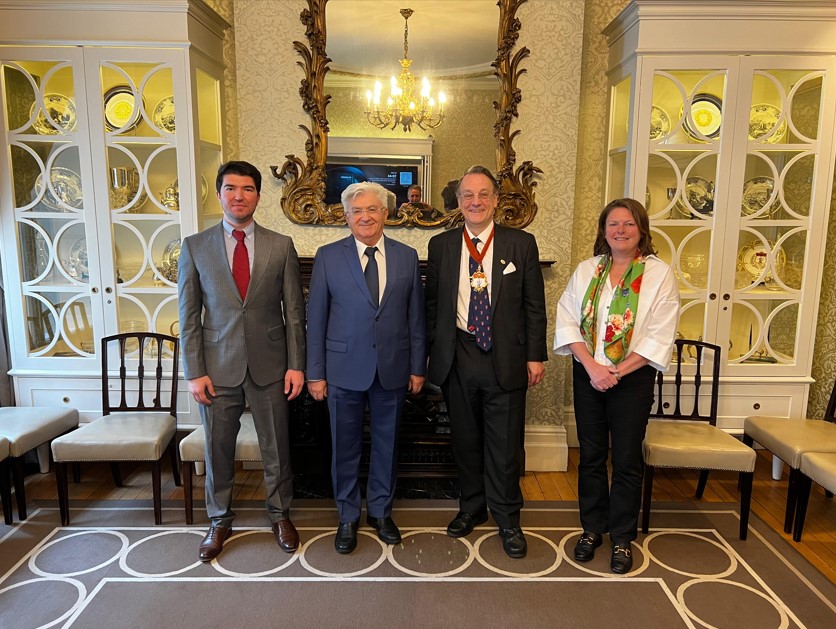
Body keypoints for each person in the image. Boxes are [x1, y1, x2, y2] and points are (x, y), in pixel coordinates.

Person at [178, 160, 306, 562]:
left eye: (247, 189)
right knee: (218, 450)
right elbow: (189, 315)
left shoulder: (280, 245)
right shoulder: (195, 246)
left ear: (258, 196)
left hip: (272, 365)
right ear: (219, 194)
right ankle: (219, 520)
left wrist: (297, 364)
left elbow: (294, 313)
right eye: (231, 188)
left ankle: (280, 515)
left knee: (276, 448)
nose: (239, 196)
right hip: (217, 367)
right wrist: (194, 371)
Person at [425, 165, 547, 559]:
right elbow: (433, 306)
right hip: (458, 356)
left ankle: (508, 519)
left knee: (505, 445)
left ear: (495, 201)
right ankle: (472, 508)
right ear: (458, 203)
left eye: (482, 195)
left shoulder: (521, 243)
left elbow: (534, 306)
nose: (475, 201)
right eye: (467, 195)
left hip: (505, 357)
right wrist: (430, 350)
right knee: (465, 441)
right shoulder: (441, 246)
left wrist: (535, 355)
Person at [553, 198, 679, 574]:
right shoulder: (587, 270)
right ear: (603, 230)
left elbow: (660, 334)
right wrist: (593, 367)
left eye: (628, 224)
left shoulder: (659, 275)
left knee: (625, 458)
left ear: (641, 230)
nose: (620, 230)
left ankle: (622, 537)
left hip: (632, 379)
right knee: (591, 456)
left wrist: (617, 371)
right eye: (613, 224)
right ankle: (592, 529)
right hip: (588, 373)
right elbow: (567, 319)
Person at [307, 181, 426, 554]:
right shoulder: (328, 256)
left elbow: (416, 318)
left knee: (387, 446)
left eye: (372, 209)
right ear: (346, 217)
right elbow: (316, 319)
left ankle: (380, 511)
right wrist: (315, 373)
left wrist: (417, 366)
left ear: (386, 214)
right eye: (357, 211)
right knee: (344, 447)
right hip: (342, 370)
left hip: (393, 368)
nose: (365, 217)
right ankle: (347, 516)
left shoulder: (407, 256)